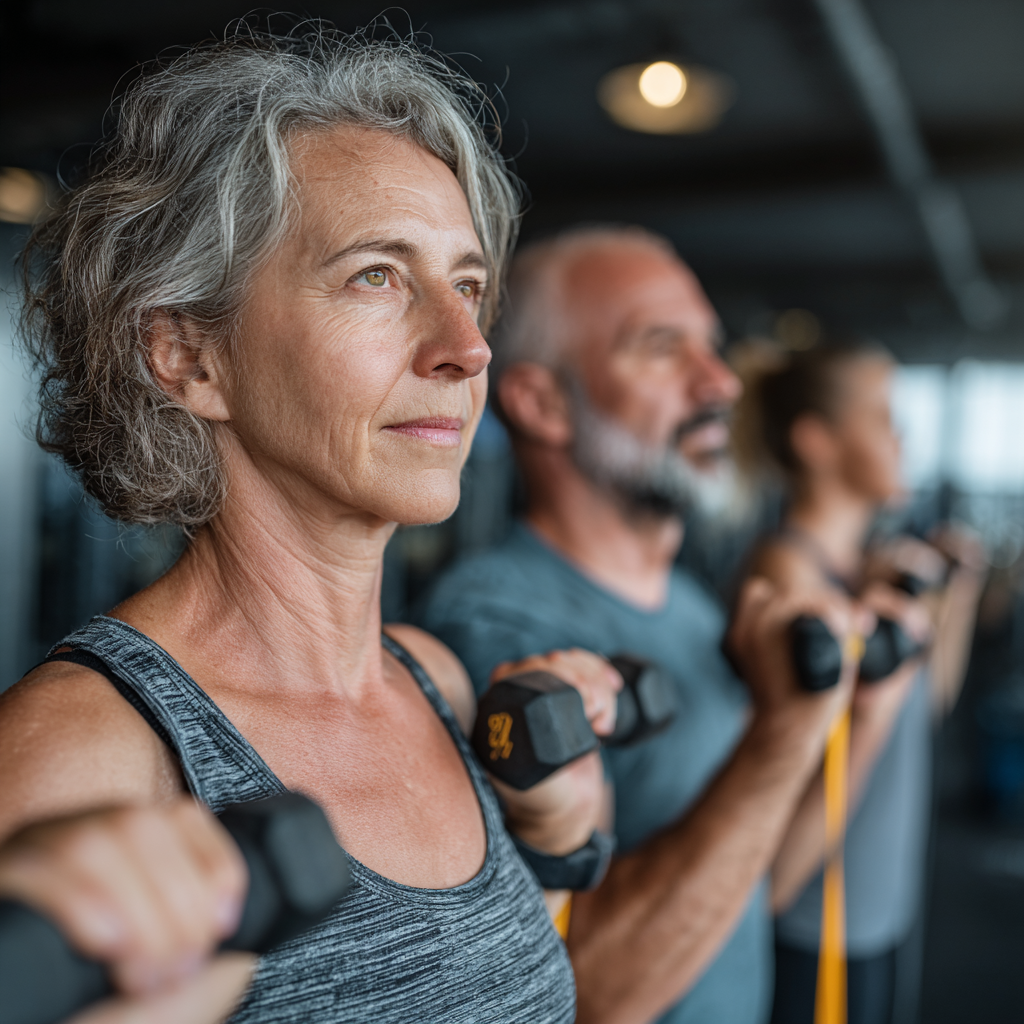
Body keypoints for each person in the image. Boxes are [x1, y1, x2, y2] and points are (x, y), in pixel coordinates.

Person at [0, 25, 618, 1023]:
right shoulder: (79, 757)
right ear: (189, 356)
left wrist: (557, 843)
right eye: (376, 274)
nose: (466, 346)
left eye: (467, 286)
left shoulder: (438, 681)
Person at [416, 225, 869, 1024]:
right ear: (542, 401)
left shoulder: (694, 607)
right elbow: (582, 992)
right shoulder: (495, 623)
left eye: (712, 348)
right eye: (663, 348)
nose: (720, 383)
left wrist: (859, 711)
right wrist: (782, 739)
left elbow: (759, 885)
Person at [736, 341, 985, 1024]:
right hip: (814, 926)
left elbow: (923, 706)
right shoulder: (788, 582)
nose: (901, 436)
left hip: (877, 908)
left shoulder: (860, 573)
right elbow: (775, 830)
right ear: (816, 441)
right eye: (882, 417)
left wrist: (952, 597)